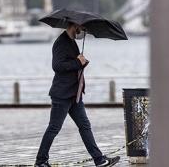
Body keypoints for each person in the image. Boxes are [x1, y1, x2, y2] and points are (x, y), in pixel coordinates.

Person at [35, 22, 120, 167]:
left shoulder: (72, 41)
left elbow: (73, 64)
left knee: (85, 125)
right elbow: (57, 66)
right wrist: (77, 62)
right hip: (62, 95)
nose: (82, 31)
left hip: (74, 94)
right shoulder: (61, 42)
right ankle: (40, 161)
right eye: (82, 28)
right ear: (74, 25)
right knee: (54, 128)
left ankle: (99, 160)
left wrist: (81, 62)